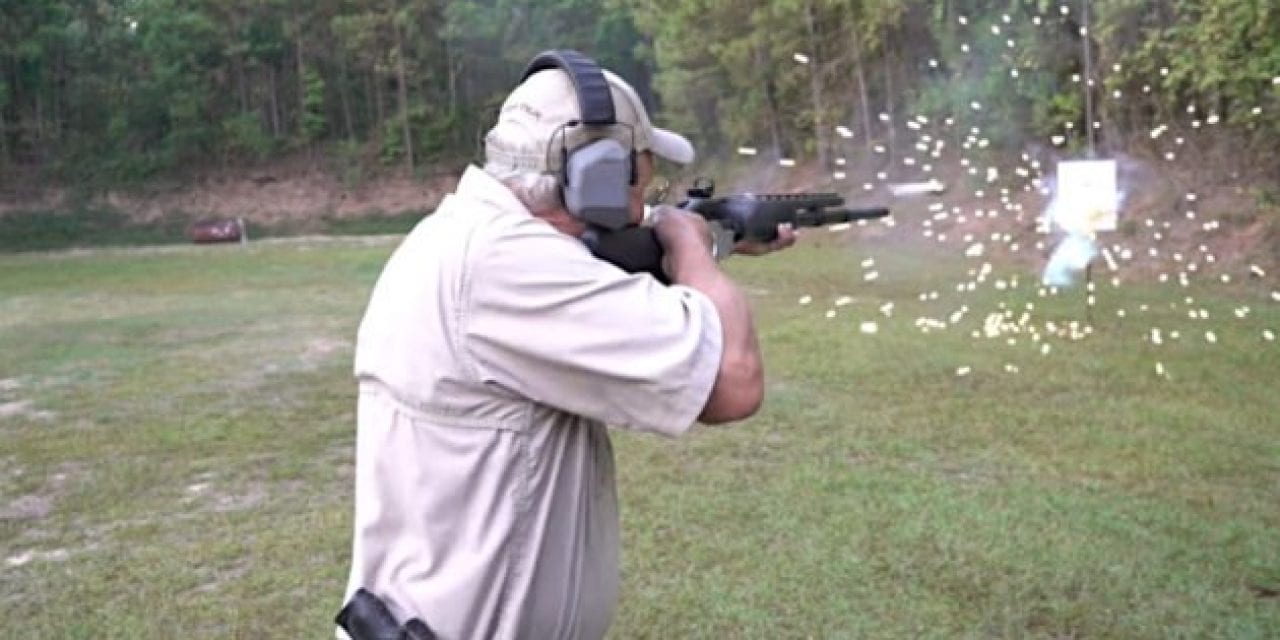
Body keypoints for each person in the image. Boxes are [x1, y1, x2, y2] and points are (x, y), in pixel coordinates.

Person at [337, 51, 795, 640]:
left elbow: (599, 255)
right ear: (599, 174)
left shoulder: (465, 236)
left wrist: (707, 241)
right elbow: (733, 384)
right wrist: (690, 250)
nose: (645, 200)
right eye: (642, 176)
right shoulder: (511, 267)